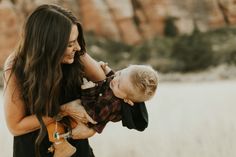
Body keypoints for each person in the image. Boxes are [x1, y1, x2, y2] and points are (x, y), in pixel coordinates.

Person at [3, 4, 108, 157]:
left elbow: (110, 90)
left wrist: (94, 129)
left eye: (77, 40)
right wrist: (64, 109)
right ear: (48, 46)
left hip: (77, 151)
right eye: (70, 44)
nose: (78, 47)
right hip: (33, 151)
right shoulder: (16, 65)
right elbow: (16, 126)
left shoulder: (77, 55)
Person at [46, 63, 158, 157]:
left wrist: (87, 92)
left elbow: (93, 115)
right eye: (120, 73)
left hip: (84, 121)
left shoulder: (112, 103)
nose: (115, 80)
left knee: (55, 123)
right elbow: (113, 77)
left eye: (118, 85)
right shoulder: (119, 85)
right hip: (83, 113)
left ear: (127, 100)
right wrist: (107, 70)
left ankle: (60, 145)